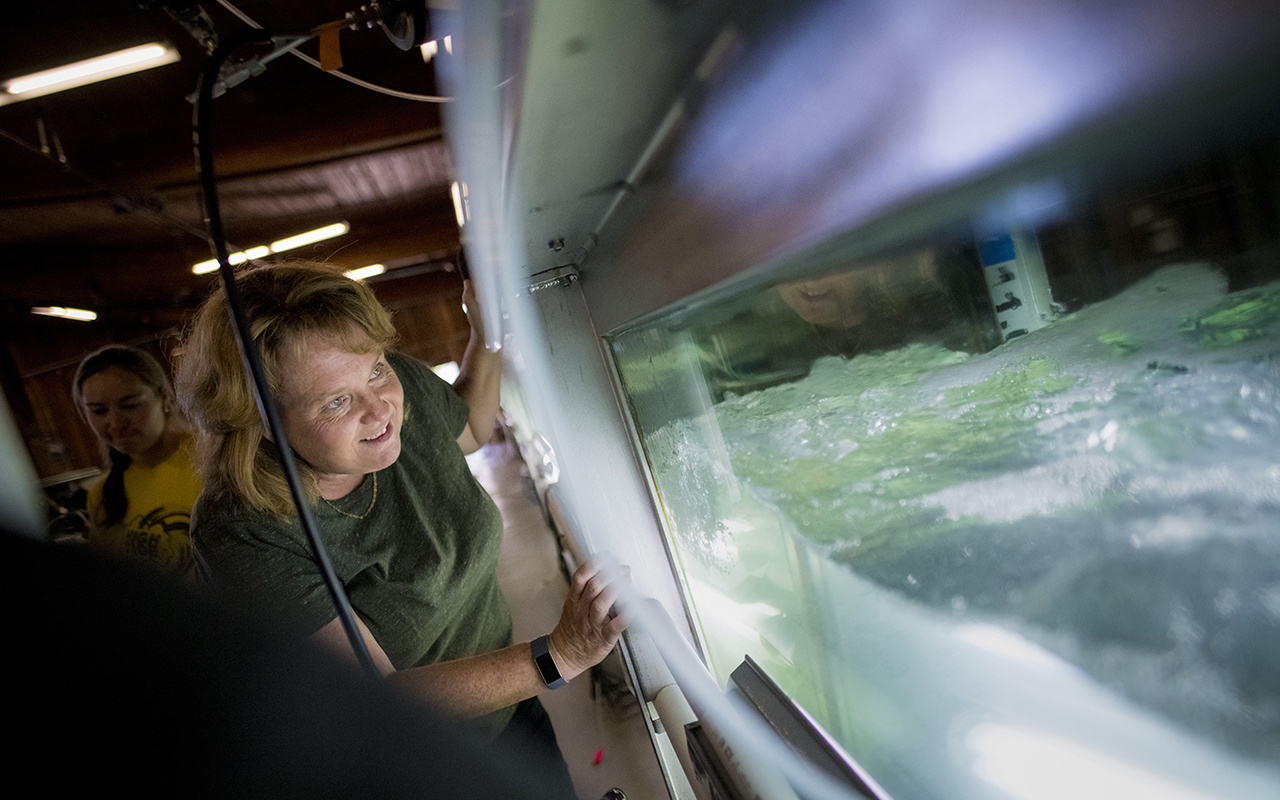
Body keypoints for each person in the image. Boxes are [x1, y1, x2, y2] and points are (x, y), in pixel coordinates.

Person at [176, 262, 629, 793]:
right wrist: (561, 654)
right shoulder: (242, 528)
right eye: (336, 401)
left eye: (374, 370)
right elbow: (372, 695)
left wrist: (487, 336)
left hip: (510, 705)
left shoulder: (401, 389)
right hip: (407, 761)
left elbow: (468, 427)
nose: (381, 410)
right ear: (258, 422)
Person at [72, 344, 202, 579]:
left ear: (164, 397)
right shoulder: (101, 494)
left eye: (130, 405)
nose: (115, 422)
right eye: (99, 411)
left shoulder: (214, 462)